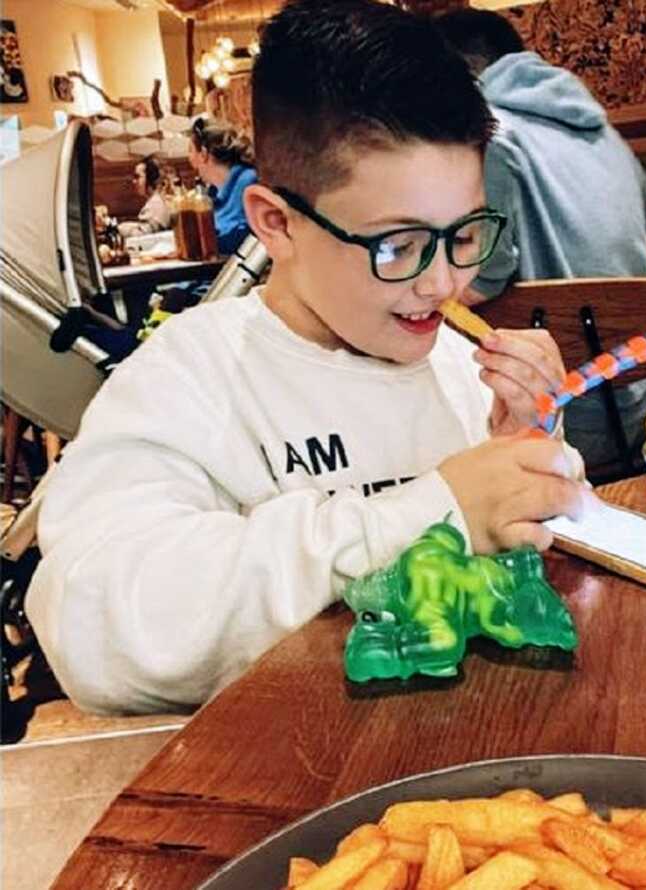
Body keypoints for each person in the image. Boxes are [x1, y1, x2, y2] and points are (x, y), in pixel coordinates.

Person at [26, 0, 589, 715]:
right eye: (397, 245)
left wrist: (524, 456)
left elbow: (516, 596)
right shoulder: (189, 379)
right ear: (276, 224)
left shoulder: (456, 365)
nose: (445, 282)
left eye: (466, 234)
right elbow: (97, 633)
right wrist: (431, 512)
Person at [435, 9, 646, 477]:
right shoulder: (605, 134)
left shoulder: (489, 137)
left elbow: (488, 272)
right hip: (644, 407)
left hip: (560, 416)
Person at [188, 117, 257, 254]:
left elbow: (245, 239)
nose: (189, 157)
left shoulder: (249, 181)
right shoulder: (212, 193)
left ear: (203, 154)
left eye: (191, 150)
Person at [117, 156, 171, 237]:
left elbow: (142, 234)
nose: (134, 181)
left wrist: (117, 228)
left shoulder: (156, 203)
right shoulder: (155, 201)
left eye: (137, 177)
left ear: (150, 178)